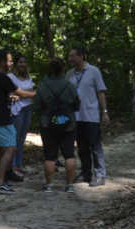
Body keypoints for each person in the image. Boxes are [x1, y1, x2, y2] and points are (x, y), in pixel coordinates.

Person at [0, 49, 34, 194]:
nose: (11, 63)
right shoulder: (2, 77)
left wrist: (9, 98)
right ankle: (0, 182)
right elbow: (22, 93)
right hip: (1, 119)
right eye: (9, 61)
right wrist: (39, 93)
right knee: (11, 148)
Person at [33, 57, 79, 193]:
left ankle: (48, 185)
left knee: (49, 156)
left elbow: (36, 106)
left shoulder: (42, 85)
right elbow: (77, 105)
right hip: (68, 125)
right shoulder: (70, 85)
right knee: (69, 154)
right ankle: (69, 185)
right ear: (63, 69)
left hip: (47, 124)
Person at [66, 46, 110, 187]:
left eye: (73, 56)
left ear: (82, 56)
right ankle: (86, 174)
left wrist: (104, 112)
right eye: (69, 56)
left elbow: (101, 92)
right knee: (82, 147)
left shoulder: (94, 71)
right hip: (75, 117)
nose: (70, 59)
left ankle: (100, 175)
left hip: (91, 115)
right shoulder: (69, 74)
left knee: (95, 146)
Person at [7, 54, 34, 179]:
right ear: (16, 64)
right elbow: (11, 94)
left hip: (28, 108)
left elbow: (25, 94)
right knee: (15, 139)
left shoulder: (28, 77)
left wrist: (24, 95)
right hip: (17, 110)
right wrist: (30, 94)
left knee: (22, 139)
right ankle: (12, 167)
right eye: (20, 62)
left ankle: (19, 166)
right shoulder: (11, 77)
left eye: (24, 62)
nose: (22, 64)